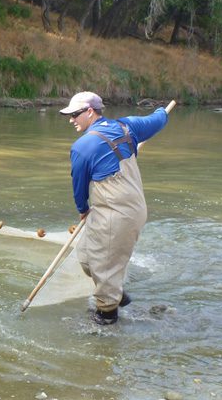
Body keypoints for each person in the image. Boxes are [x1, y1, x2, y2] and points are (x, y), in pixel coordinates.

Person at [60, 92, 169, 325]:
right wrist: (162, 111)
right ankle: (117, 294)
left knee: (104, 269)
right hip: (127, 208)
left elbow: (79, 185)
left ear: (90, 112)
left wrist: (82, 208)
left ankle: (106, 321)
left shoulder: (83, 146)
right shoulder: (127, 126)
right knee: (87, 257)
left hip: (117, 213)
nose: (71, 120)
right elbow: (158, 119)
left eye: (75, 115)